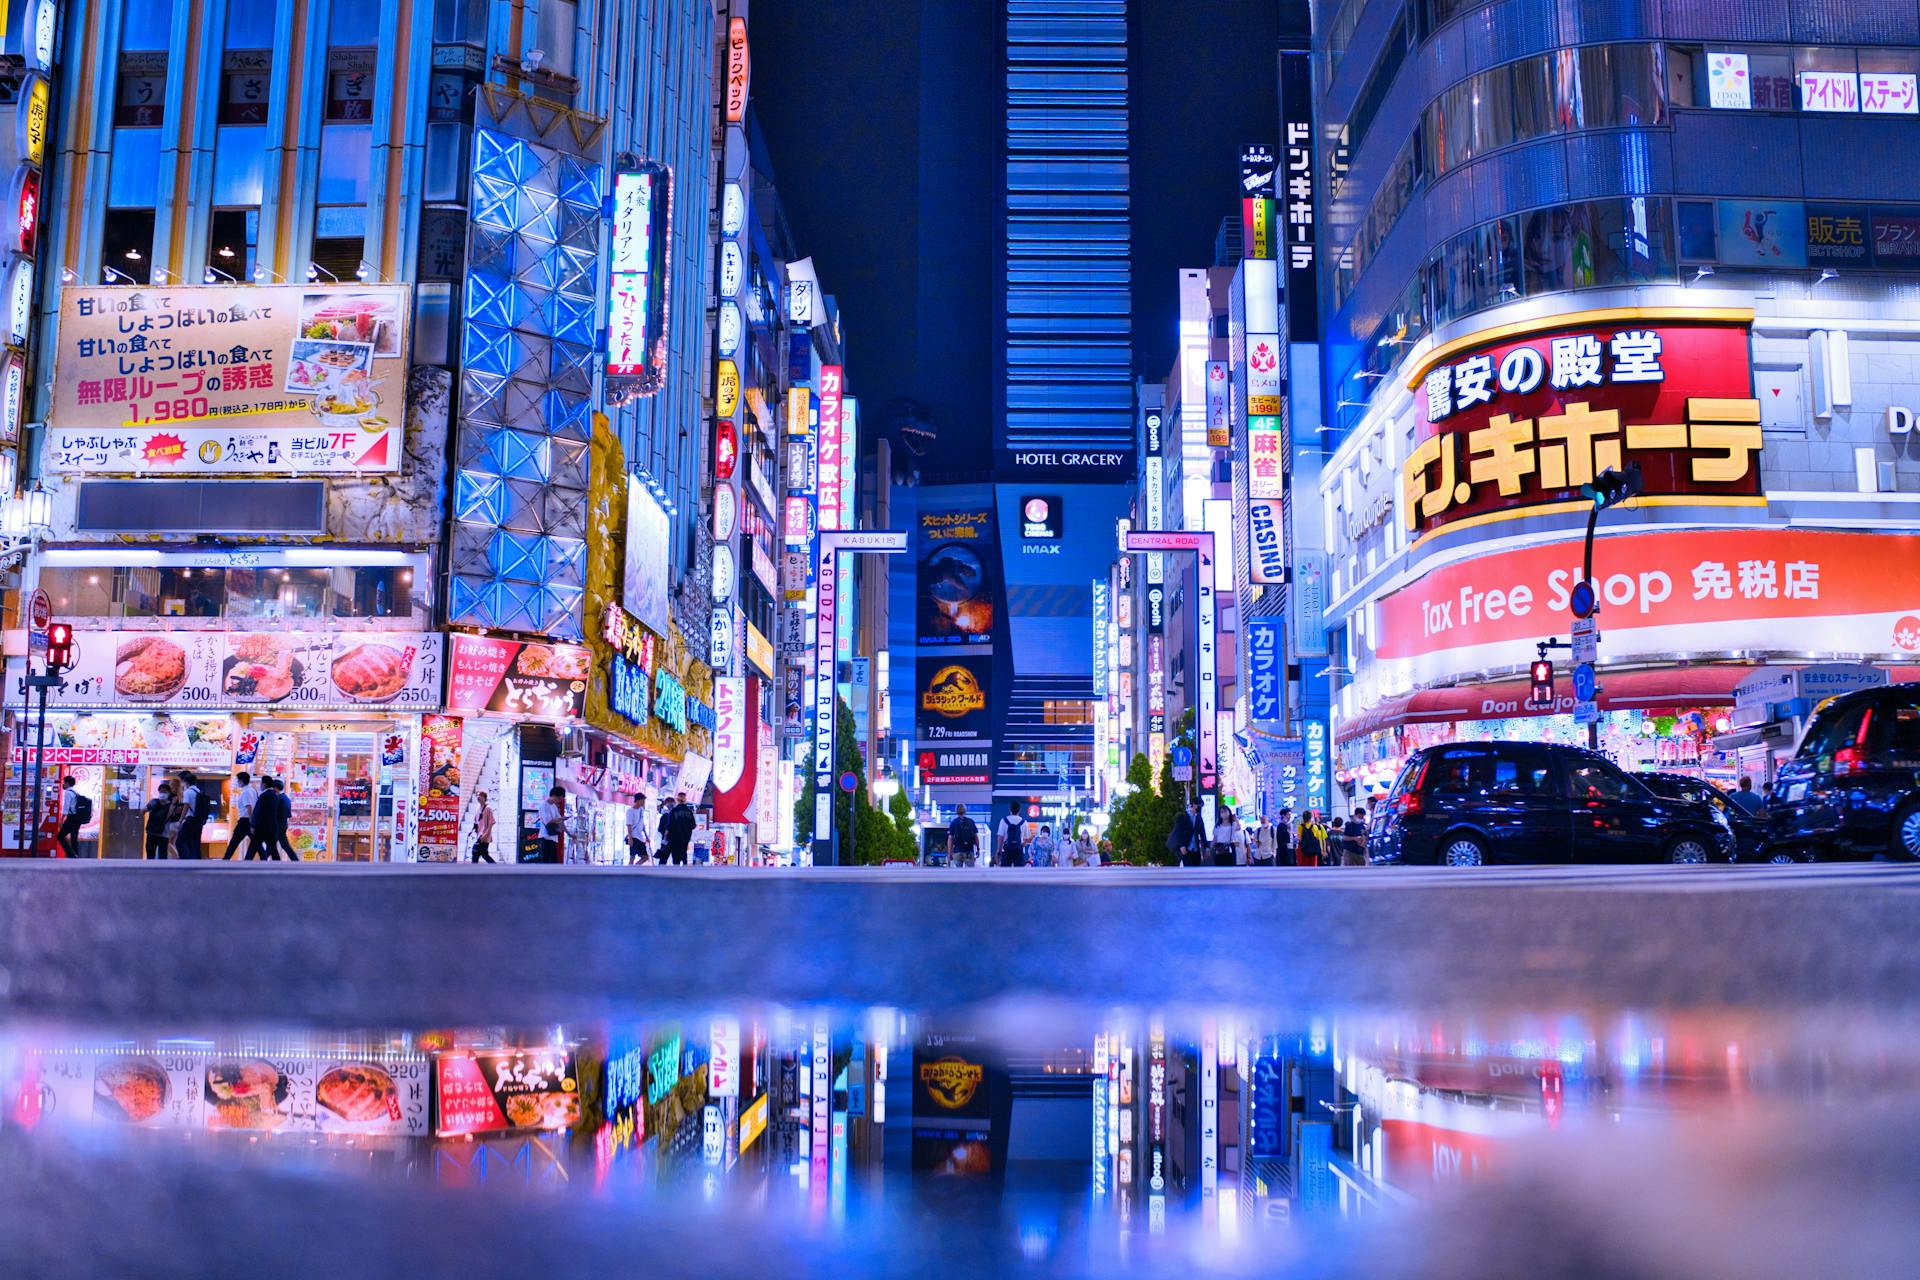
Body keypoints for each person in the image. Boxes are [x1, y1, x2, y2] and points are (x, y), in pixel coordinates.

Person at [225, 772, 259, 860]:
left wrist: (251, 821)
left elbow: (249, 807)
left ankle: (226, 858)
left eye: (238, 780)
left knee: (234, 841)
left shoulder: (245, 792)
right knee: (256, 842)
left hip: (245, 820)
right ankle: (263, 857)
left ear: (241, 781)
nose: (237, 782)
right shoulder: (253, 790)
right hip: (250, 820)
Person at [174, 771, 208, 860]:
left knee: (179, 841)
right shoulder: (199, 791)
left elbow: (186, 807)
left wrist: (180, 821)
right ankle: (197, 860)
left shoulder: (188, 792)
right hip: (199, 820)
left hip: (190, 820)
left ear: (186, 782)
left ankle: (185, 859)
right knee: (195, 842)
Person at [56, 777, 88, 859]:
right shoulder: (76, 792)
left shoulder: (68, 793)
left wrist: (61, 820)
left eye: (64, 782)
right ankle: (75, 855)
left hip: (71, 818)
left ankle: (71, 854)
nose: (63, 784)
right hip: (78, 817)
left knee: (60, 836)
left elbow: (66, 807)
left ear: (67, 783)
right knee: (74, 837)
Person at [663, 792, 697, 865]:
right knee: (684, 853)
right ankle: (685, 871)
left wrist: (665, 837)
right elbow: (693, 825)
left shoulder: (673, 811)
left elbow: (669, 825)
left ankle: (676, 873)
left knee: (675, 856)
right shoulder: (689, 812)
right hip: (685, 836)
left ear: (677, 800)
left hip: (674, 837)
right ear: (685, 800)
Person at [534, 786, 565, 863]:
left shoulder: (554, 806)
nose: (560, 801)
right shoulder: (544, 805)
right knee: (546, 861)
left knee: (553, 863)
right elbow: (548, 821)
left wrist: (569, 834)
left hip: (553, 837)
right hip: (545, 837)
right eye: (559, 798)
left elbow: (560, 820)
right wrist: (561, 819)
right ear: (554, 795)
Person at [144, 782, 174, 860]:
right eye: (161, 792)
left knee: (161, 855)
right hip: (154, 832)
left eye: (165, 792)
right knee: (153, 854)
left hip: (161, 833)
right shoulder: (154, 802)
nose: (162, 794)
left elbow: (143, 810)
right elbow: (143, 810)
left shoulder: (171, 805)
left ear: (169, 793)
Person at [995, 801, 1030, 867]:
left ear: (1010, 809)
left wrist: (998, 850)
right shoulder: (1024, 822)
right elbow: (1026, 838)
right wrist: (1023, 844)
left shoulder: (1004, 821)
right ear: (1019, 810)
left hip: (1006, 850)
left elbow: (1000, 836)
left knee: (1005, 873)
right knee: (1019, 873)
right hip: (1019, 850)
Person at [947, 803, 979, 867]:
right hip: (969, 851)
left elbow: (950, 839)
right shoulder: (971, 822)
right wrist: (978, 849)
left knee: (959, 874)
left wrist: (949, 852)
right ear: (965, 811)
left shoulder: (954, 823)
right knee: (970, 873)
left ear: (956, 811)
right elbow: (976, 837)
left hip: (958, 851)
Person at [1167, 799, 1195, 865]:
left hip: (1193, 848)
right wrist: (1182, 845)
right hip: (1182, 847)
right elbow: (1179, 832)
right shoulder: (1183, 816)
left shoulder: (1197, 817)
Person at [471, 792, 497, 863]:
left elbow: (491, 823)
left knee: (475, 851)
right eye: (477, 795)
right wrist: (472, 830)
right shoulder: (477, 807)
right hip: (479, 834)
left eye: (480, 795)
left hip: (484, 835)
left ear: (484, 798)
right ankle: (496, 867)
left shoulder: (488, 809)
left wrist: (485, 834)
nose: (478, 797)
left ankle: (473, 870)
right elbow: (476, 821)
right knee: (484, 854)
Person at [625, 799, 651, 864]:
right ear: (638, 800)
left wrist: (646, 836)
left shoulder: (641, 810)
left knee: (645, 857)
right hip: (633, 837)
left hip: (640, 838)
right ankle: (629, 872)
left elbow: (642, 824)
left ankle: (634, 869)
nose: (644, 802)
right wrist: (630, 838)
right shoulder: (630, 811)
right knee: (632, 857)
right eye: (643, 800)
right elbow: (629, 825)